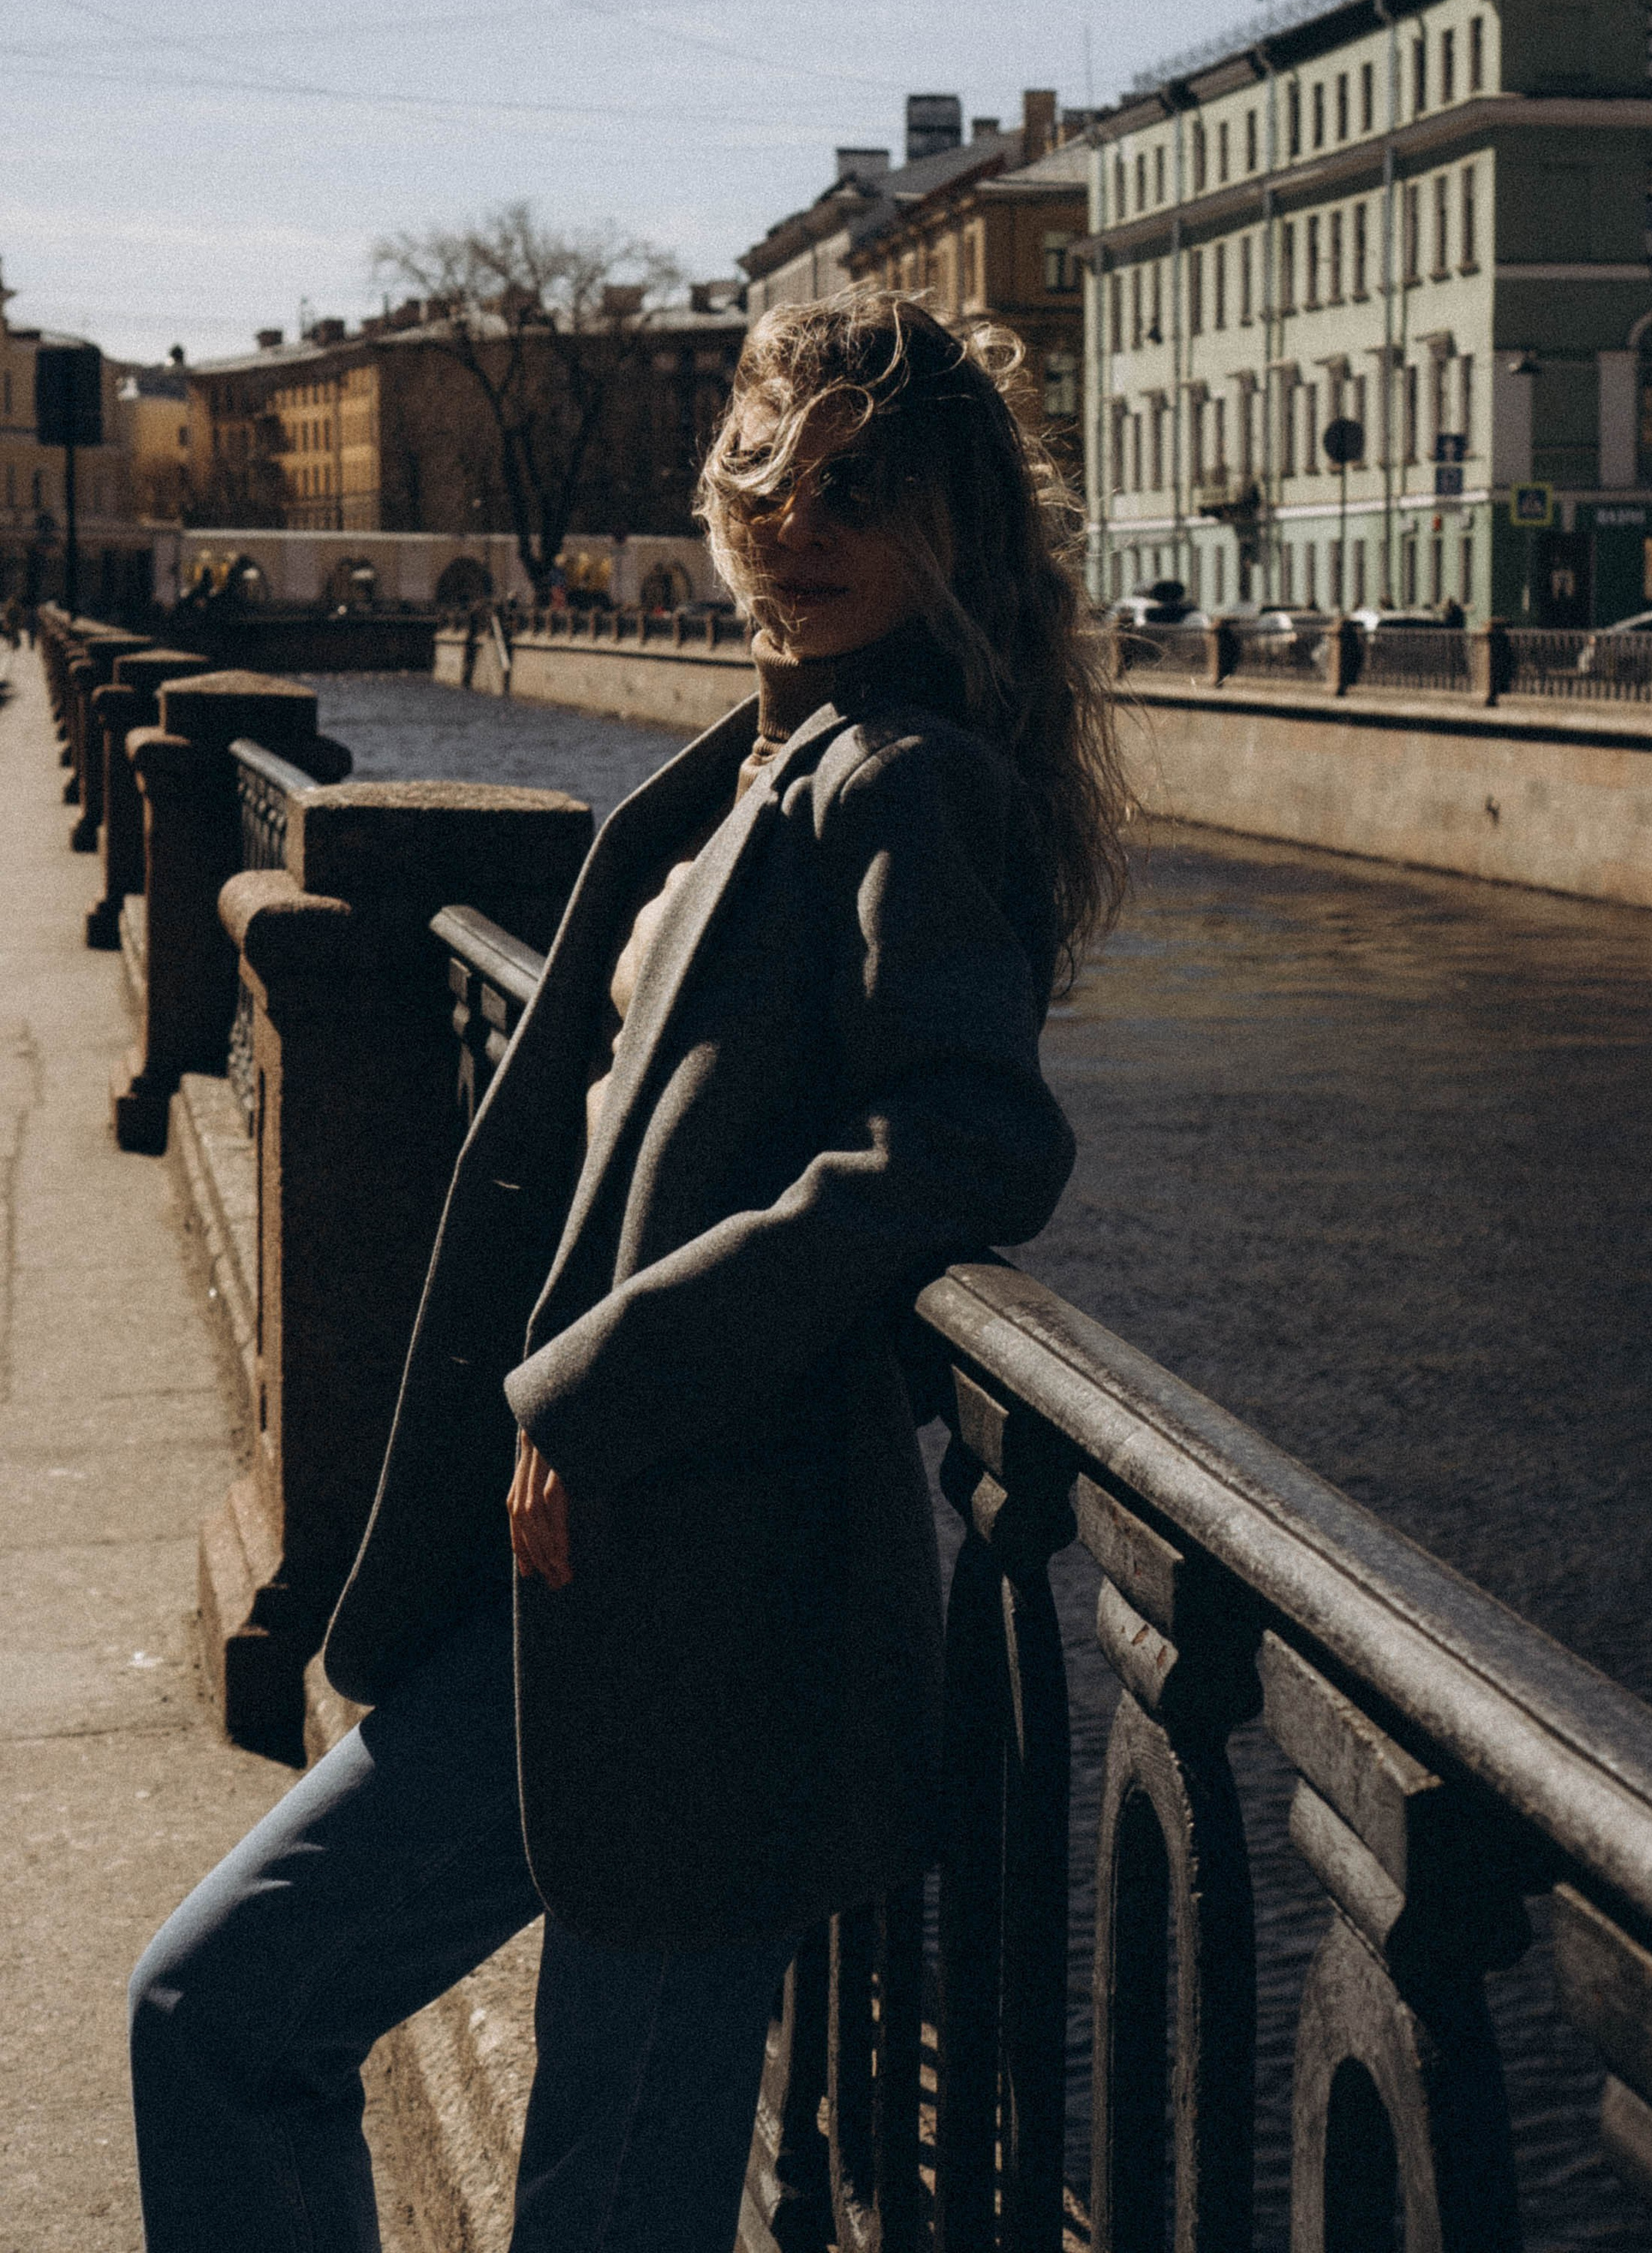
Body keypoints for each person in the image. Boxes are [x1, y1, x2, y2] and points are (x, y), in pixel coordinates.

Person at [127, 292, 1127, 2253]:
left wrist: (599, 1384)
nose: (793, 518)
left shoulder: (899, 781)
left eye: (856, 484)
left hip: (713, 1621)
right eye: (763, 473)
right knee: (215, 2008)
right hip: (569, 1594)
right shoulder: (753, 768)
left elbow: (972, 1143)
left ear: (954, 520)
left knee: (593, 2205)